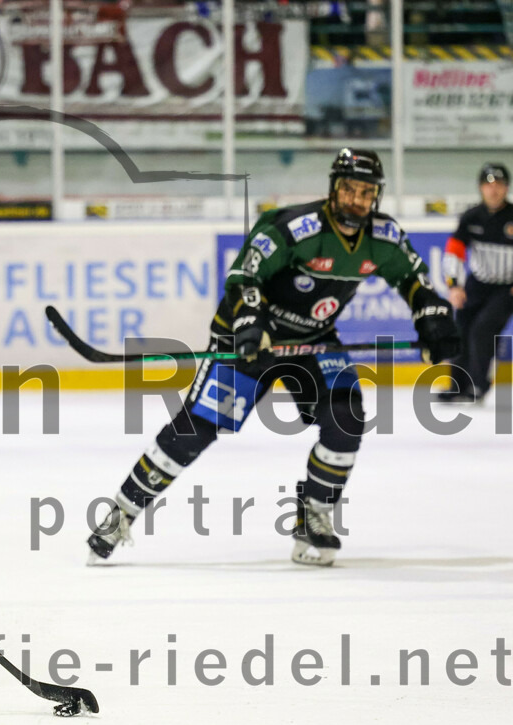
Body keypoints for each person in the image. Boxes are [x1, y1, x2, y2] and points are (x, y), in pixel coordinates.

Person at [87, 148, 460, 567]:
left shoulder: (384, 237)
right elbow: (245, 276)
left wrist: (432, 318)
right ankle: (120, 513)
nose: (358, 199)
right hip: (249, 338)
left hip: (314, 341)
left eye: (367, 192)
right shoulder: (294, 228)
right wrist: (250, 323)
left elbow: (414, 279)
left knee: (346, 419)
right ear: (334, 188)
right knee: (196, 432)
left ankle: (313, 516)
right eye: (351, 189)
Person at [440, 162, 513, 403]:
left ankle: (478, 385)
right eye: (489, 185)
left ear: (507, 188)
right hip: (477, 284)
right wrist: (454, 286)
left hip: (506, 288)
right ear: (481, 188)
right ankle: (456, 385)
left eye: (499, 185)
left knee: (483, 329)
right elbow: (454, 252)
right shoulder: (472, 217)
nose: (494, 190)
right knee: (460, 327)